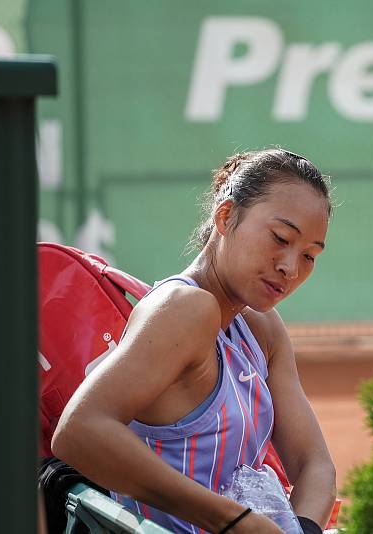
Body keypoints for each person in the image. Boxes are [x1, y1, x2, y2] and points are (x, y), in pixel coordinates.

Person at [52, 148, 337, 534]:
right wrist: (228, 519)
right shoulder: (184, 308)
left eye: (309, 255)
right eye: (280, 237)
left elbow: (314, 464)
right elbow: (78, 431)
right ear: (226, 216)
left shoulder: (261, 327)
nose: (290, 267)